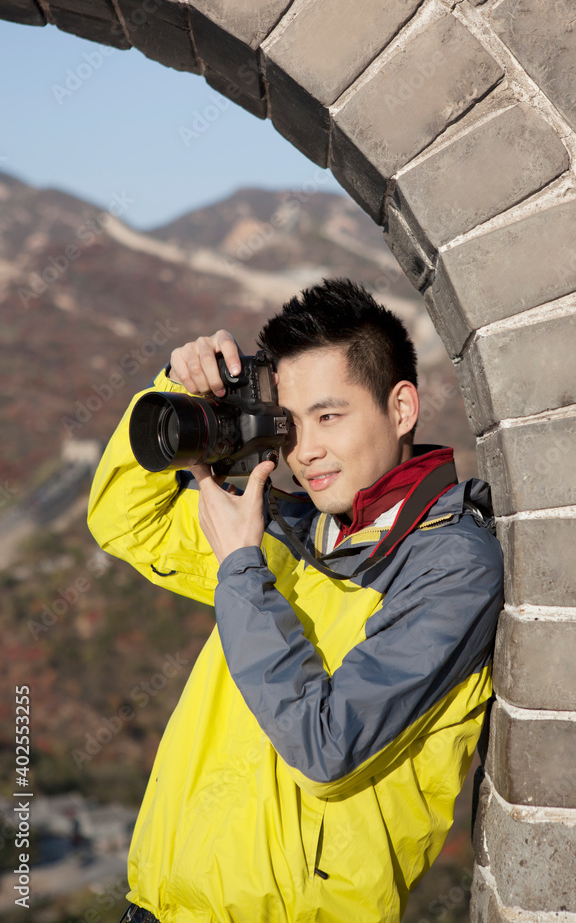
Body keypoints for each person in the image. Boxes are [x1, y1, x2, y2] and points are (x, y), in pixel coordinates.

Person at [87, 278, 504, 923]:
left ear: (400, 408)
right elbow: (124, 522)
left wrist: (240, 569)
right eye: (290, 422)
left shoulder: (451, 567)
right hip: (157, 906)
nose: (303, 453)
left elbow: (328, 744)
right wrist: (174, 387)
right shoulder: (289, 530)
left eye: (329, 417)